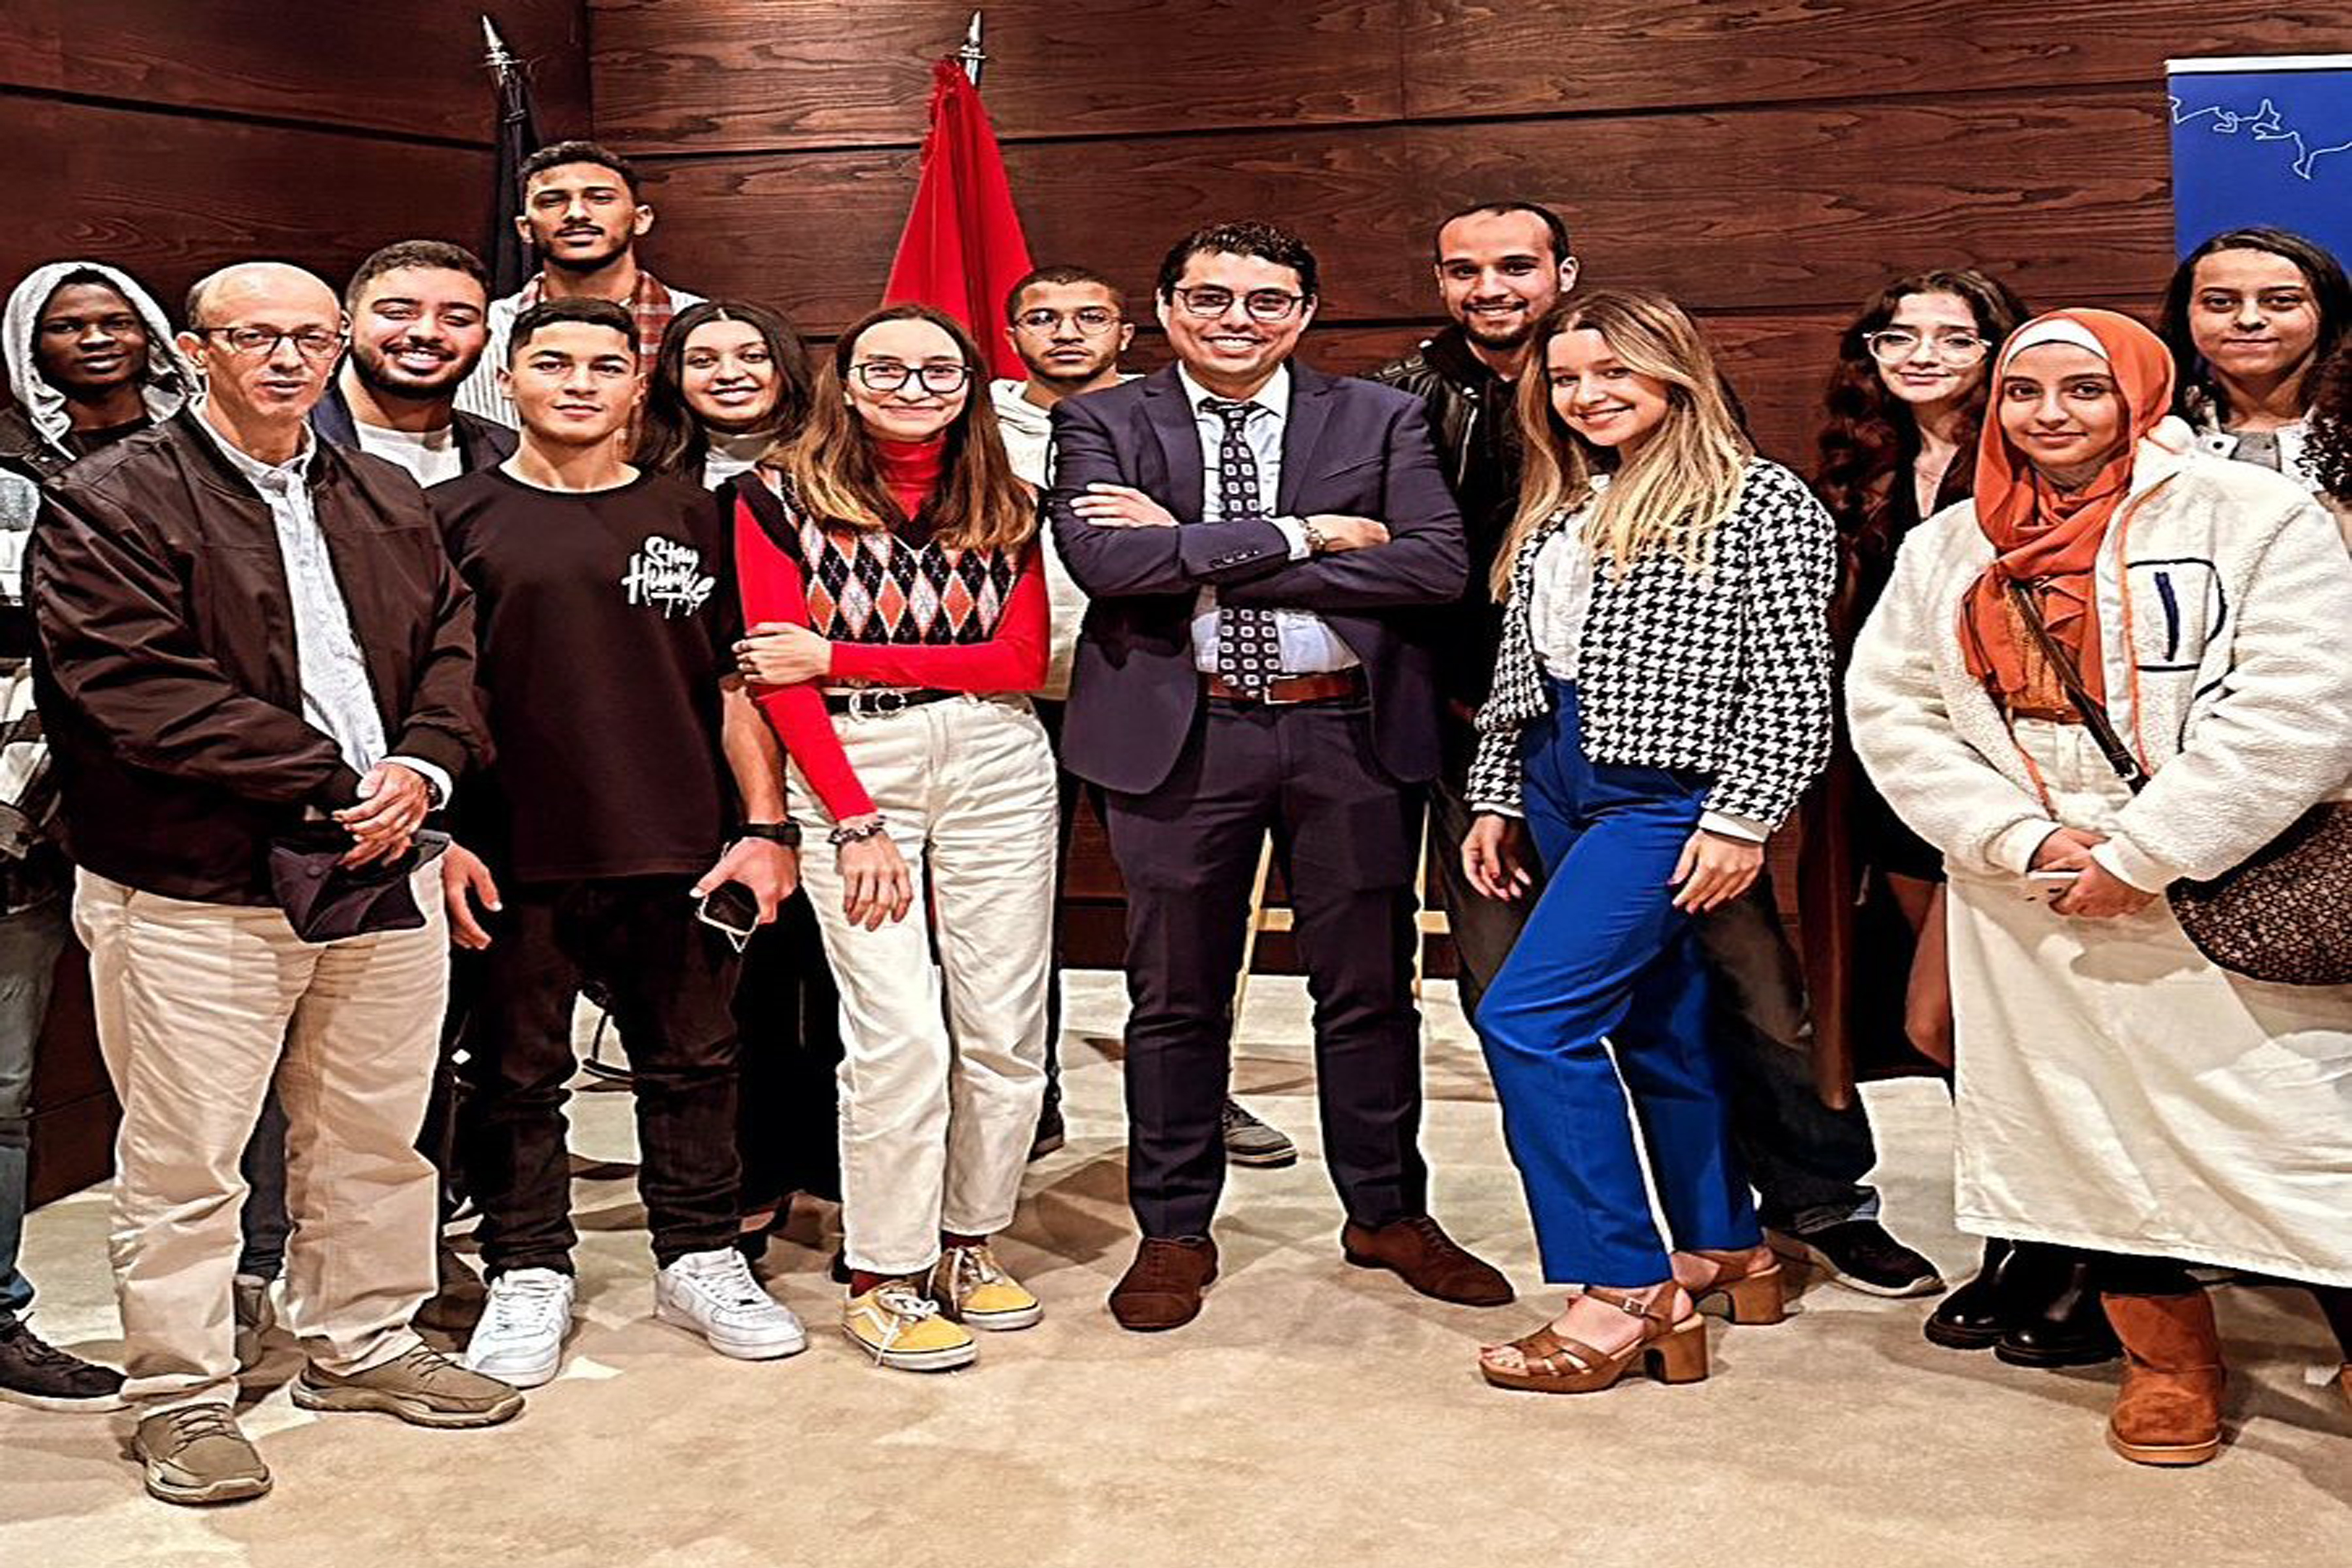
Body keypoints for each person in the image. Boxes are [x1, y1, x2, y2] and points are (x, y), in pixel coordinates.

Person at [32, 261, 521, 1505]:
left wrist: (423, 765)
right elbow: (130, 686)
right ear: (195, 350)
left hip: (381, 862)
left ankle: (360, 1342)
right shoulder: (111, 497)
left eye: (313, 337)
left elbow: (455, 647)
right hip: (198, 883)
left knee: (374, 1137)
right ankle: (179, 1396)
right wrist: (332, 779)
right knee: (189, 1162)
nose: (289, 359)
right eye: (257, 337)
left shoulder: (381, 494)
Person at [1847, 306, 2352, 1465]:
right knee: (2090, 1132)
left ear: (2138, 391)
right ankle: (2166, 1358)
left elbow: (2301, 702)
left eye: (2082, 390)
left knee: (2297, 1124)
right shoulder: (1950, 544)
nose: (2050, 416)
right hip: (2028, 895)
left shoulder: (2251, 516)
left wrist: (2141, 850)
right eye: (2025, 394)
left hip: (2220, 873)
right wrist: (2012, 840)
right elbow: (1895, 708)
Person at [1049, 220, 1509, 1333]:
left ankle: (1387, 1210)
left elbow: (1437, 565)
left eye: (1266, 301)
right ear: (1165, 310)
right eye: (1211, 298)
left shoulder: (1382, 415)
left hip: (1344, 734)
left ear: (1302, 314)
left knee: (1365, 988)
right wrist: (1309, 534)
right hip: (1183, 741)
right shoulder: (1102, 418)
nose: (1237, 320)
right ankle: (1172, 1226)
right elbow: (1110, 562)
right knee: (1174, 996)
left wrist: (1205, 548)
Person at [1461, 289, 1833, 1394]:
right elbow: (1521, 675)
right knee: (1656, 1022)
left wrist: (1742, 817)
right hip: (1558, 776)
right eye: (1567, 378)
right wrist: (1494, 793)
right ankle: (1725, 1244)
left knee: (1528, 1019)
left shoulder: (1758, 499)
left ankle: (1623, 1287)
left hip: (1663, 794)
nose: (1587, 396)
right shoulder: (1565, 499)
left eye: (1614, 372)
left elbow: (1791, 682)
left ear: (1676, 371)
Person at [434, 297, 804, 1390]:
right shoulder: (449, 514)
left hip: (677, 839)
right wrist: (443, 833)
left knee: (694, 1062)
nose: (581, 383)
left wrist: (765, 826)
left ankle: (698, 1253)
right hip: (514, 843)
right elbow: (421, 689)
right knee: (513, 1073)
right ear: (510, 380)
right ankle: (527, 1266)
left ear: (639, 386)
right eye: (554, 363)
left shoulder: (699, 511)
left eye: (607, 365)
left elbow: (739, 685)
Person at [733, 303, 1055, 1372]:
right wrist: (850, 812)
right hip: (853, 769)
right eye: (887, 368)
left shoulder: (1009, 499)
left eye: (937, 370)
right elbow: (776, 679)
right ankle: (884, 1268)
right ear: (846, 380)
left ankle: (967, 1236)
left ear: (968, 385)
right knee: (899, 1030)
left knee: (1005, 1028)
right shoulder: (772, 496)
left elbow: (1019, 664)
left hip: (999, 762)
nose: (912, 387)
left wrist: (837, 650)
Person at [1801, 271, 2107, 1329]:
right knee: (1962, 1025)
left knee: (1981, 1017)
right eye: (1898, 333)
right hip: (1898, 774)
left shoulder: (2035, 456)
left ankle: (2076, 1247)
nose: (1921, 353)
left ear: (1998, 348)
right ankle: (2022, 1236)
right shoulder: (1861, 465)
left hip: (2017, 776)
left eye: (1953, 335)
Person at [990, 263, 1295, 1168]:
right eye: (1043, 317)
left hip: (1152, 682)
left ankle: (1203, 1091)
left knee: (1188, 909)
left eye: (1092, 316)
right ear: (1012, 338)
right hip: (1015, 695)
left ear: (1129, 333)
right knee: (1013, 915)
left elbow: (1234, 541)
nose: (1068, 333)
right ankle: (1027, 1098)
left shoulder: (1177, 419)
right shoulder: (973, 426)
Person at [632, 297, 840, 1257]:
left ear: (788, 367)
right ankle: (749, 1170)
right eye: (702, 356)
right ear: (671, 377)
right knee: (735, 981)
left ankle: (835, 1163)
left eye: (752, 354)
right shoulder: (644, 482)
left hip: (837, 742)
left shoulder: (839, 472)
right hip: (698, 752)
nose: (728, 372)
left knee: (840, 978)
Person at [1369, 201, 1578, 1019]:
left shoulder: (1625, 385)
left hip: (1599, 727)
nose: (1488, 288)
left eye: (1515, 267)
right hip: (1454, 717)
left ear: (1563, 274)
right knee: (1500, 972)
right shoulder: (1392, 399)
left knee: (1653, 971)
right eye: (1464, 270)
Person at [0, 467, 123, 1411]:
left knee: (1, 1102)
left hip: (11, 851)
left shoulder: (24, 506)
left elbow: (64, 670)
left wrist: (15, 814)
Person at [456, 140, 703, 426]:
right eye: (552, 201)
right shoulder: (480, 334)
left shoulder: (700, 327)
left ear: (641, 219)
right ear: (525, 228)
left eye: (600, 198)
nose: (576, 214)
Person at [2158, 226, 2349, 492]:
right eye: (2221, 302)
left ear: (2328, 312)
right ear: (2186, 315)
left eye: (2282, 301)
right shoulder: (2152, 433)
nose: (2249, 320)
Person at [315, 240, 517, 483]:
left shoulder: (514, 457)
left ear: (486, 340)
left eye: (457, 319)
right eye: (397, 313)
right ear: (346, 327)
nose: (427, 333)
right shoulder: (281, 440)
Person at [0, 261, 191, 481]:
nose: (96, 340)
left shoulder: (209, 425)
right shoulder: (7, 450)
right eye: (65, 327)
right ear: (28, 345)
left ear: (151, 334)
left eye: (118, 324)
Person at [637, 298, 811, 488]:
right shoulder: (645, 486)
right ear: (675, 377)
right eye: (703, 361)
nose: (729, 374)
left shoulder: (835, 469)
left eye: (753, 357)